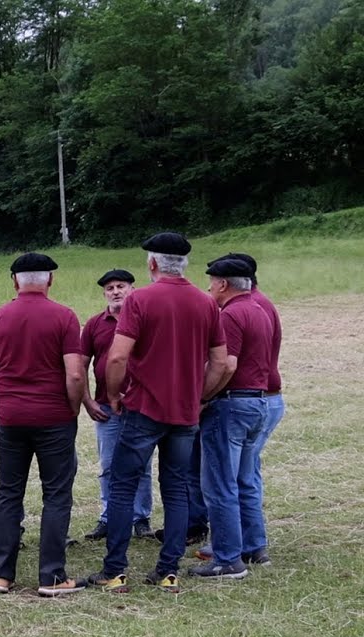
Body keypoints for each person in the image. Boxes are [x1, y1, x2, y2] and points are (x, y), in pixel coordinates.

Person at [87, 232, 228, 594]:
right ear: (185, 264)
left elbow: (117, 356)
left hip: (144, 409)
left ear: (152, 263)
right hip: (184, 414)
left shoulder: (140, 301)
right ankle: (168, 570)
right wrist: (199, 396)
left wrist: (115, 393)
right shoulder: (206, 302)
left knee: (122, 487)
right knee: (177, 489)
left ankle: (115, 569)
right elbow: (222, 362)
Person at [0, 252, 87, 597]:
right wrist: (72, 408)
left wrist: (3, 402)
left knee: (9, 492)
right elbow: (74, 372)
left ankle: (1, 574)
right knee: (56, 495)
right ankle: (52, 576)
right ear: (50, 280)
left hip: (12, 418)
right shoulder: (65, 317)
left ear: (14, 281)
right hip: (54, 417)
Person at [189, 256, 273, 579]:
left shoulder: (231, 314)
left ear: (223, 284)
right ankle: (254, 546)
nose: (208, 286)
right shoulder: (258, 310)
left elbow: (227, 364)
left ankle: (227, 559)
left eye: (210, 281)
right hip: (256, 403)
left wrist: (202, 397)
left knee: (219, 483)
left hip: (230, 407)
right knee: (245, 480)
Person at [79, 269, 154, 541]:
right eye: (110, 288)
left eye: (121, 286)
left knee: (141, 464)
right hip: (106, 409)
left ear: (132, 289)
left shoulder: (145, 320)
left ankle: (140, 517)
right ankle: (109, 516)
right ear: (104, 293)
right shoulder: (94, 324)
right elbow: (81, 364)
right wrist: (86, 400)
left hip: (139, 406)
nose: (115, 291)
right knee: (108, 464)